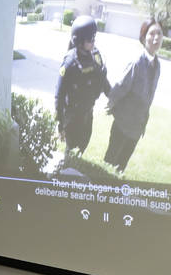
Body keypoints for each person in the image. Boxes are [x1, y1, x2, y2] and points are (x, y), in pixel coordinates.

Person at [103, 20, 163, 174]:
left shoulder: (157, 66)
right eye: (151, 33)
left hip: (137, 128)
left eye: (159, 34)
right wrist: (111, 104)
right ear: (143, 38)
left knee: (120, 168)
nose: (156, 38)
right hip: (122, 124)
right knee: (108, 165)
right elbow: (120, 87)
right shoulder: (136, 62)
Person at [55, 15, 110, 156]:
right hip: (72, 114)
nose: (93, 42)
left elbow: (102, 78)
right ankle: (66, 167)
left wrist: (113, 96)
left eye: (94, 38)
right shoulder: (70, 63)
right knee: (71, 146)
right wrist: (60, 123)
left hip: (88, 111)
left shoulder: (95, 55)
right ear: (79, 40)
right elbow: (59, 95)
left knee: (84, 142)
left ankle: (76, 160)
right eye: (90, 39)